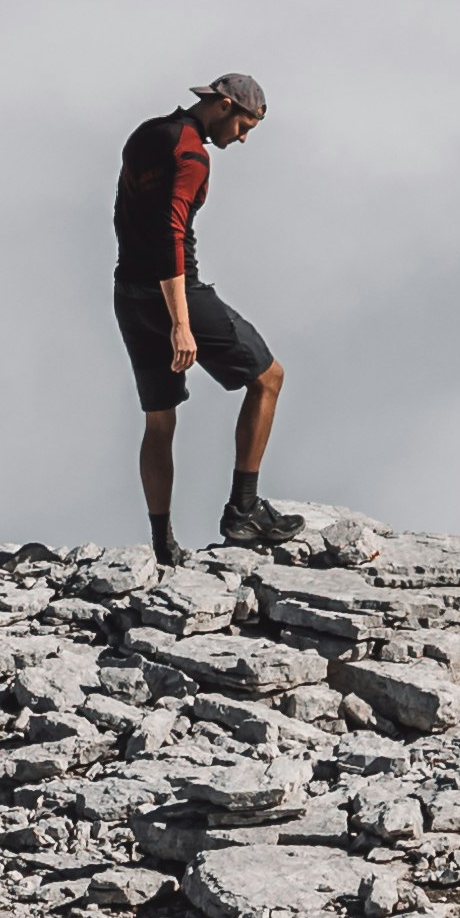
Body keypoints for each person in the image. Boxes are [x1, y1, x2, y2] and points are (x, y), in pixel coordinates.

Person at [113, 72, 281, 563]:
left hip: (129, 292)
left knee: (159, 420)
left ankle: (162, 544)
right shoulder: (192, 154)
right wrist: (181, 322)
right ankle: (244, 510)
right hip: (173, 291)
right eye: (245, 125)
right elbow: (171, 232)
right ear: (225, 105)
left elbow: (124, 213)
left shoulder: (146, 133)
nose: (243, 137)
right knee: (269, 378)